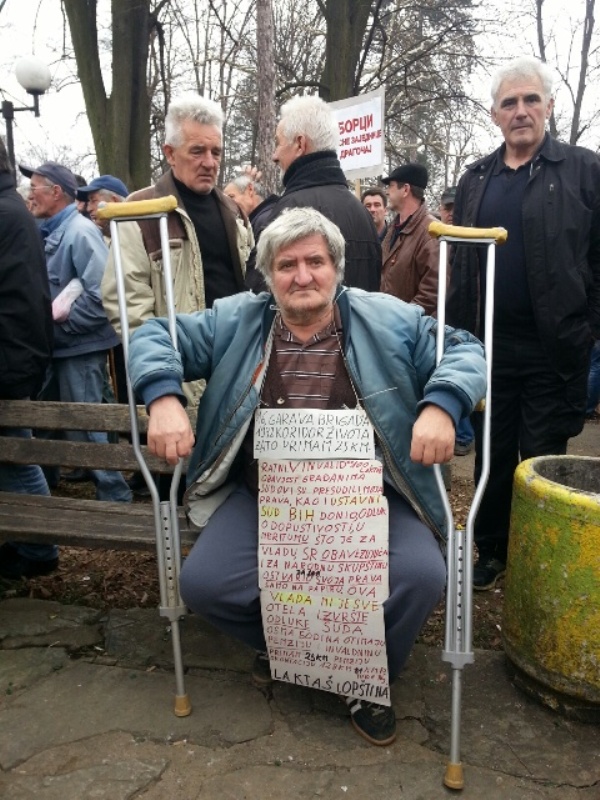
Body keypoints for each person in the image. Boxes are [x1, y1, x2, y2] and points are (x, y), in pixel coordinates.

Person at [127, 207, 486, 746]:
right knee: (205, 584)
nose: (301, 276)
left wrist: (442, 404)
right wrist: (162, 396)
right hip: (267, 494)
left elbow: (465, 349)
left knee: (421, 576)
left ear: (336, 268)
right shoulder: (236, 320)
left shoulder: (388, 318)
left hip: (371, 497)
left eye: (315, 261)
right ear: (269, 275)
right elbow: (154, 334)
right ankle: (295, 645)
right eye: (286, 264)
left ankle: (366, 675)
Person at [446, 55, 600, 590]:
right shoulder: (475, 180)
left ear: (549, 106)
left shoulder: (583, 169)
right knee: (491, 452)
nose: (521, 111)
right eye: (509, 102)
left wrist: (589, 327)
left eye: (531, 99)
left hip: (555, 349)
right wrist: (458, 338)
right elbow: (463, 264)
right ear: (494, 114)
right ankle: (492, 550)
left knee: (540, 458)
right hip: (489, 349)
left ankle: (539, 561)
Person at [102, 93, 254, 408]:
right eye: (197, 151)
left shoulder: (235, 214)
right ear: (170, 153)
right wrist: (162, 379)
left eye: (216, 151)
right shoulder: (140, 212)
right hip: (178, 380)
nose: (210, 162)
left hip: (237, 372)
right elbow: (130, 309)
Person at [18, 160, 132, 504]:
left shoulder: (79, 233)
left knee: (87, 421)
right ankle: (49, 480)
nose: (30, 195)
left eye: (35, 187)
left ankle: (115, 495)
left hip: (79, 347)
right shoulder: (52, 230)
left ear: (56, 192)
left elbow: (103, 296)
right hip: (60, 347)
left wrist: (60, 326)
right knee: (48, 415)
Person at [0, 138, 58, 580]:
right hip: (17, 352)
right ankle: (29, 541)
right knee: (14, 453)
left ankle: (39, 550)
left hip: (9, 356)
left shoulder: (5, 212)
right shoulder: (11, 210)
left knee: (16, 455)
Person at [267, 95, 381, 292]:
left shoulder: (287, 211)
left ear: (300, 144)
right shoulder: (361, 212)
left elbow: (266, 299)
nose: (275, 156)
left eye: (278, 143)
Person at [439, 185, 474, 455]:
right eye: (446, 208)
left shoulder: (471, 239)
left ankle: (463, 435)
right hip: (445, 315)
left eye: (454, 209)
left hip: (460, 317)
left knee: (461, 368)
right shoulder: (437, 238)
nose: (450, 214)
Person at [380, 163, 440, 316]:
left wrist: (403, 318)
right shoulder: (393, 228)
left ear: (405, 189)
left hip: (413, 330)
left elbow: (433, 291)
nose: (387, 192)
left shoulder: (432, 231)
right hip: (390, 323)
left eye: (391, 186)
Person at [224, 174, 279, 292]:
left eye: (231, 197)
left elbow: (260, 275)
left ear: (250, 190)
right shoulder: (263, 218)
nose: (227, 204)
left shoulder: (264, 221)